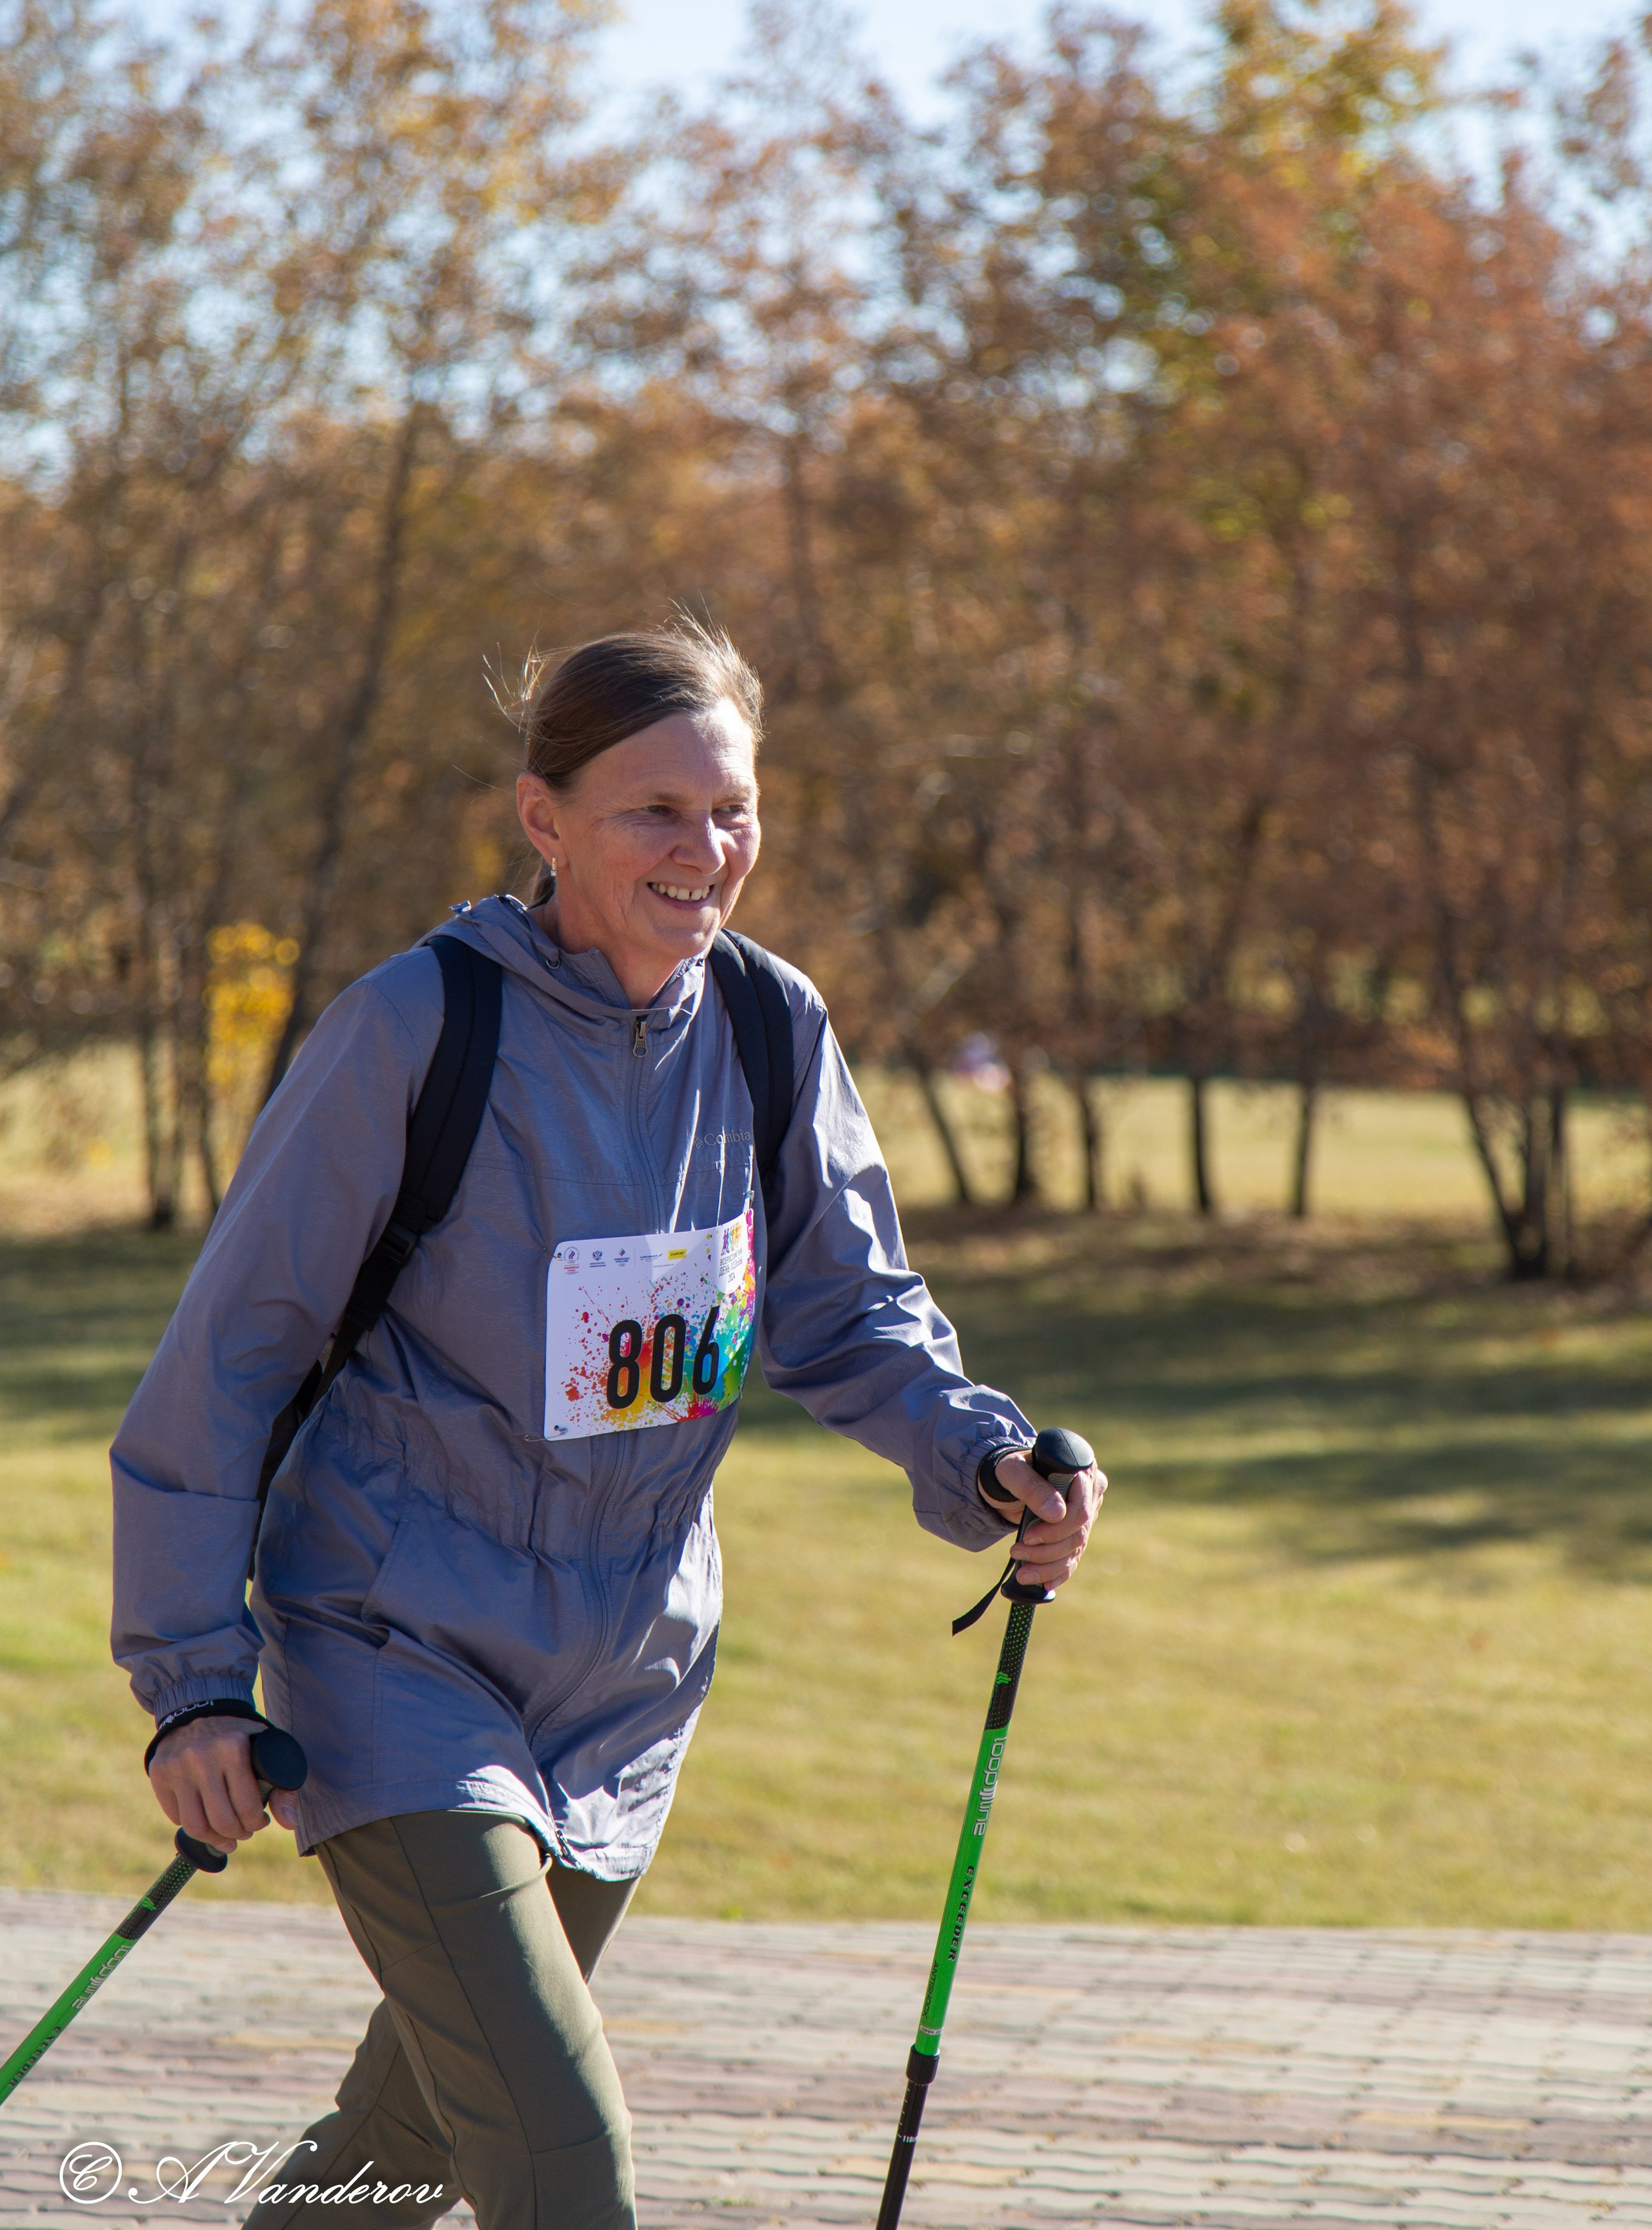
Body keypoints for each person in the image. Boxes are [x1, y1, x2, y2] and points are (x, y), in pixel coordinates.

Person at [111, 621, 1105, 2230]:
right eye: (654, 809)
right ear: (542, 816)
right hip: (397, 1645)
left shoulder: (770, 1030)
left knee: (413, 2141)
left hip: (628, 1677)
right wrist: (191, 1686)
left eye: (731, 811)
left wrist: (984, 1452)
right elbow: (227, 1359)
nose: (703, 851)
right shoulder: (417, 1028)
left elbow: (851, 1313)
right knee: (561, 2159)